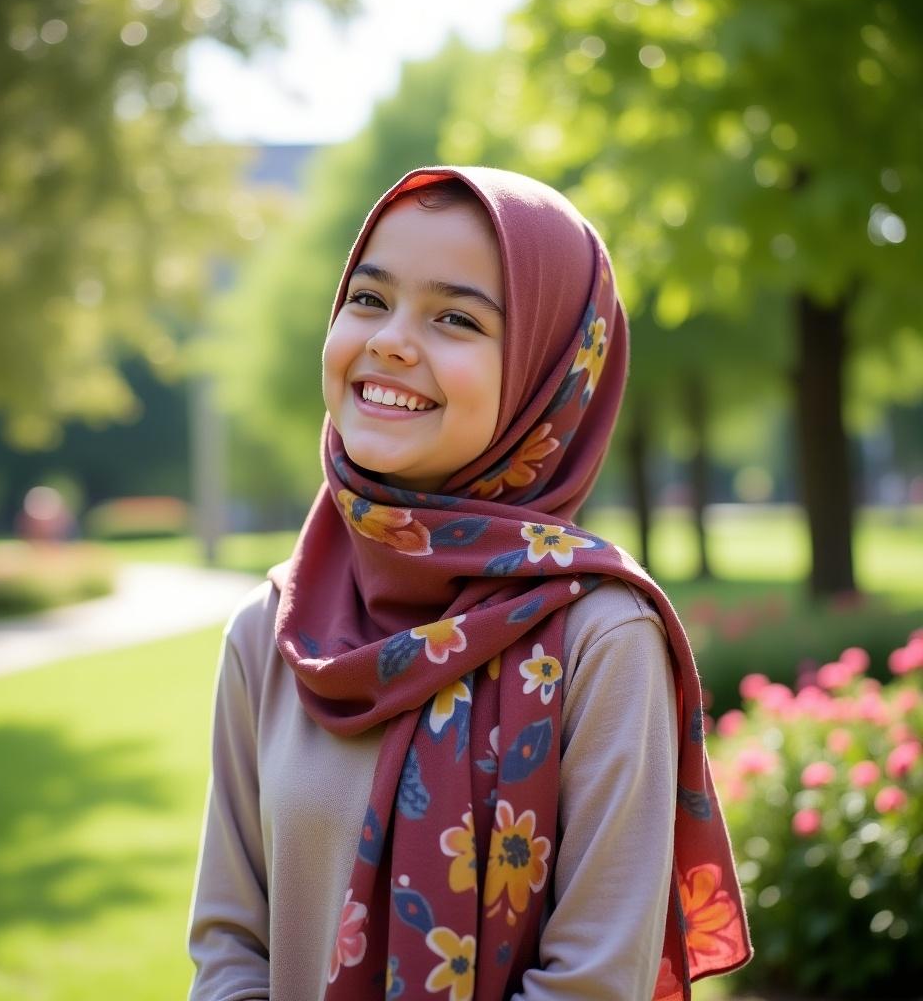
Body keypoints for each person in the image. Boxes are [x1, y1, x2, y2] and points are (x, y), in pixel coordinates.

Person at [187, 166, 751, 1001]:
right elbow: (231, 949)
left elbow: (594, 984)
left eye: (456, 318)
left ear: (547, 380)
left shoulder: (602, 639)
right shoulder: (273, 632)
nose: (389, 341)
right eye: (370, 300)